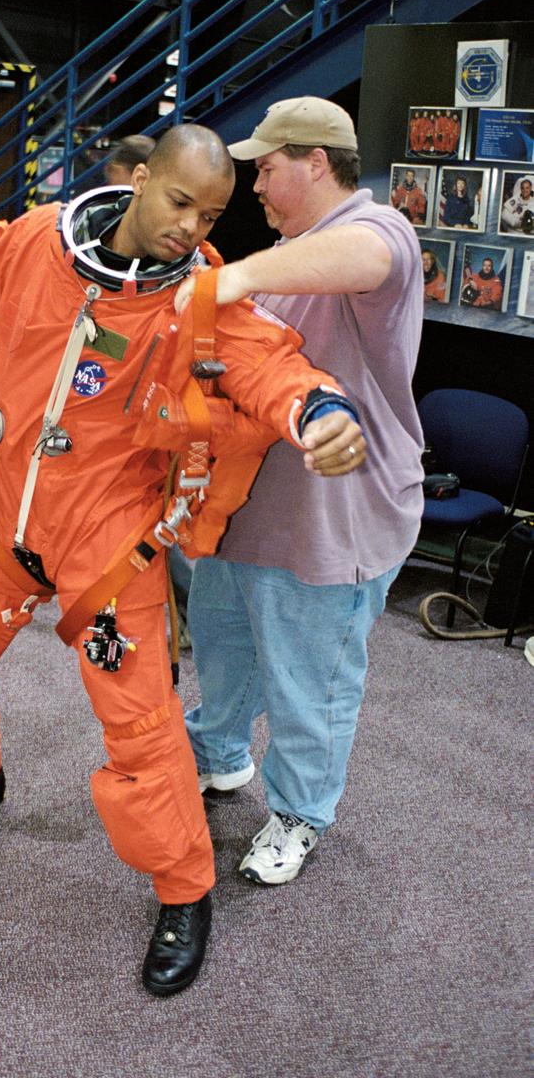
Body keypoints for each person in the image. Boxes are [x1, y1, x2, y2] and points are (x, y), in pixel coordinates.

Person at [0, 124, 366, 997]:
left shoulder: (202, 303)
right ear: (140, 179)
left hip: (105, 545)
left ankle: (185, 891)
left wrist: (323, 415)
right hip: (0, 522)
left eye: (212, 213)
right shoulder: (37, 239)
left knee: (143, 733)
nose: (191, 226)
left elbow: (274, 369)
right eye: (179, 201)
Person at [173, 97, 424, 888]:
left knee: (308, 683)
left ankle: (300, 813)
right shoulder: (291, 251)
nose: (254, 184)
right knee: (223, 649)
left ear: (315, 162)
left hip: (331, 526)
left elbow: (366, 256)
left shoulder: (376, 233)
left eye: (266, 166)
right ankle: (217, 760)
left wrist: (234, 278)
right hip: (244, 515)